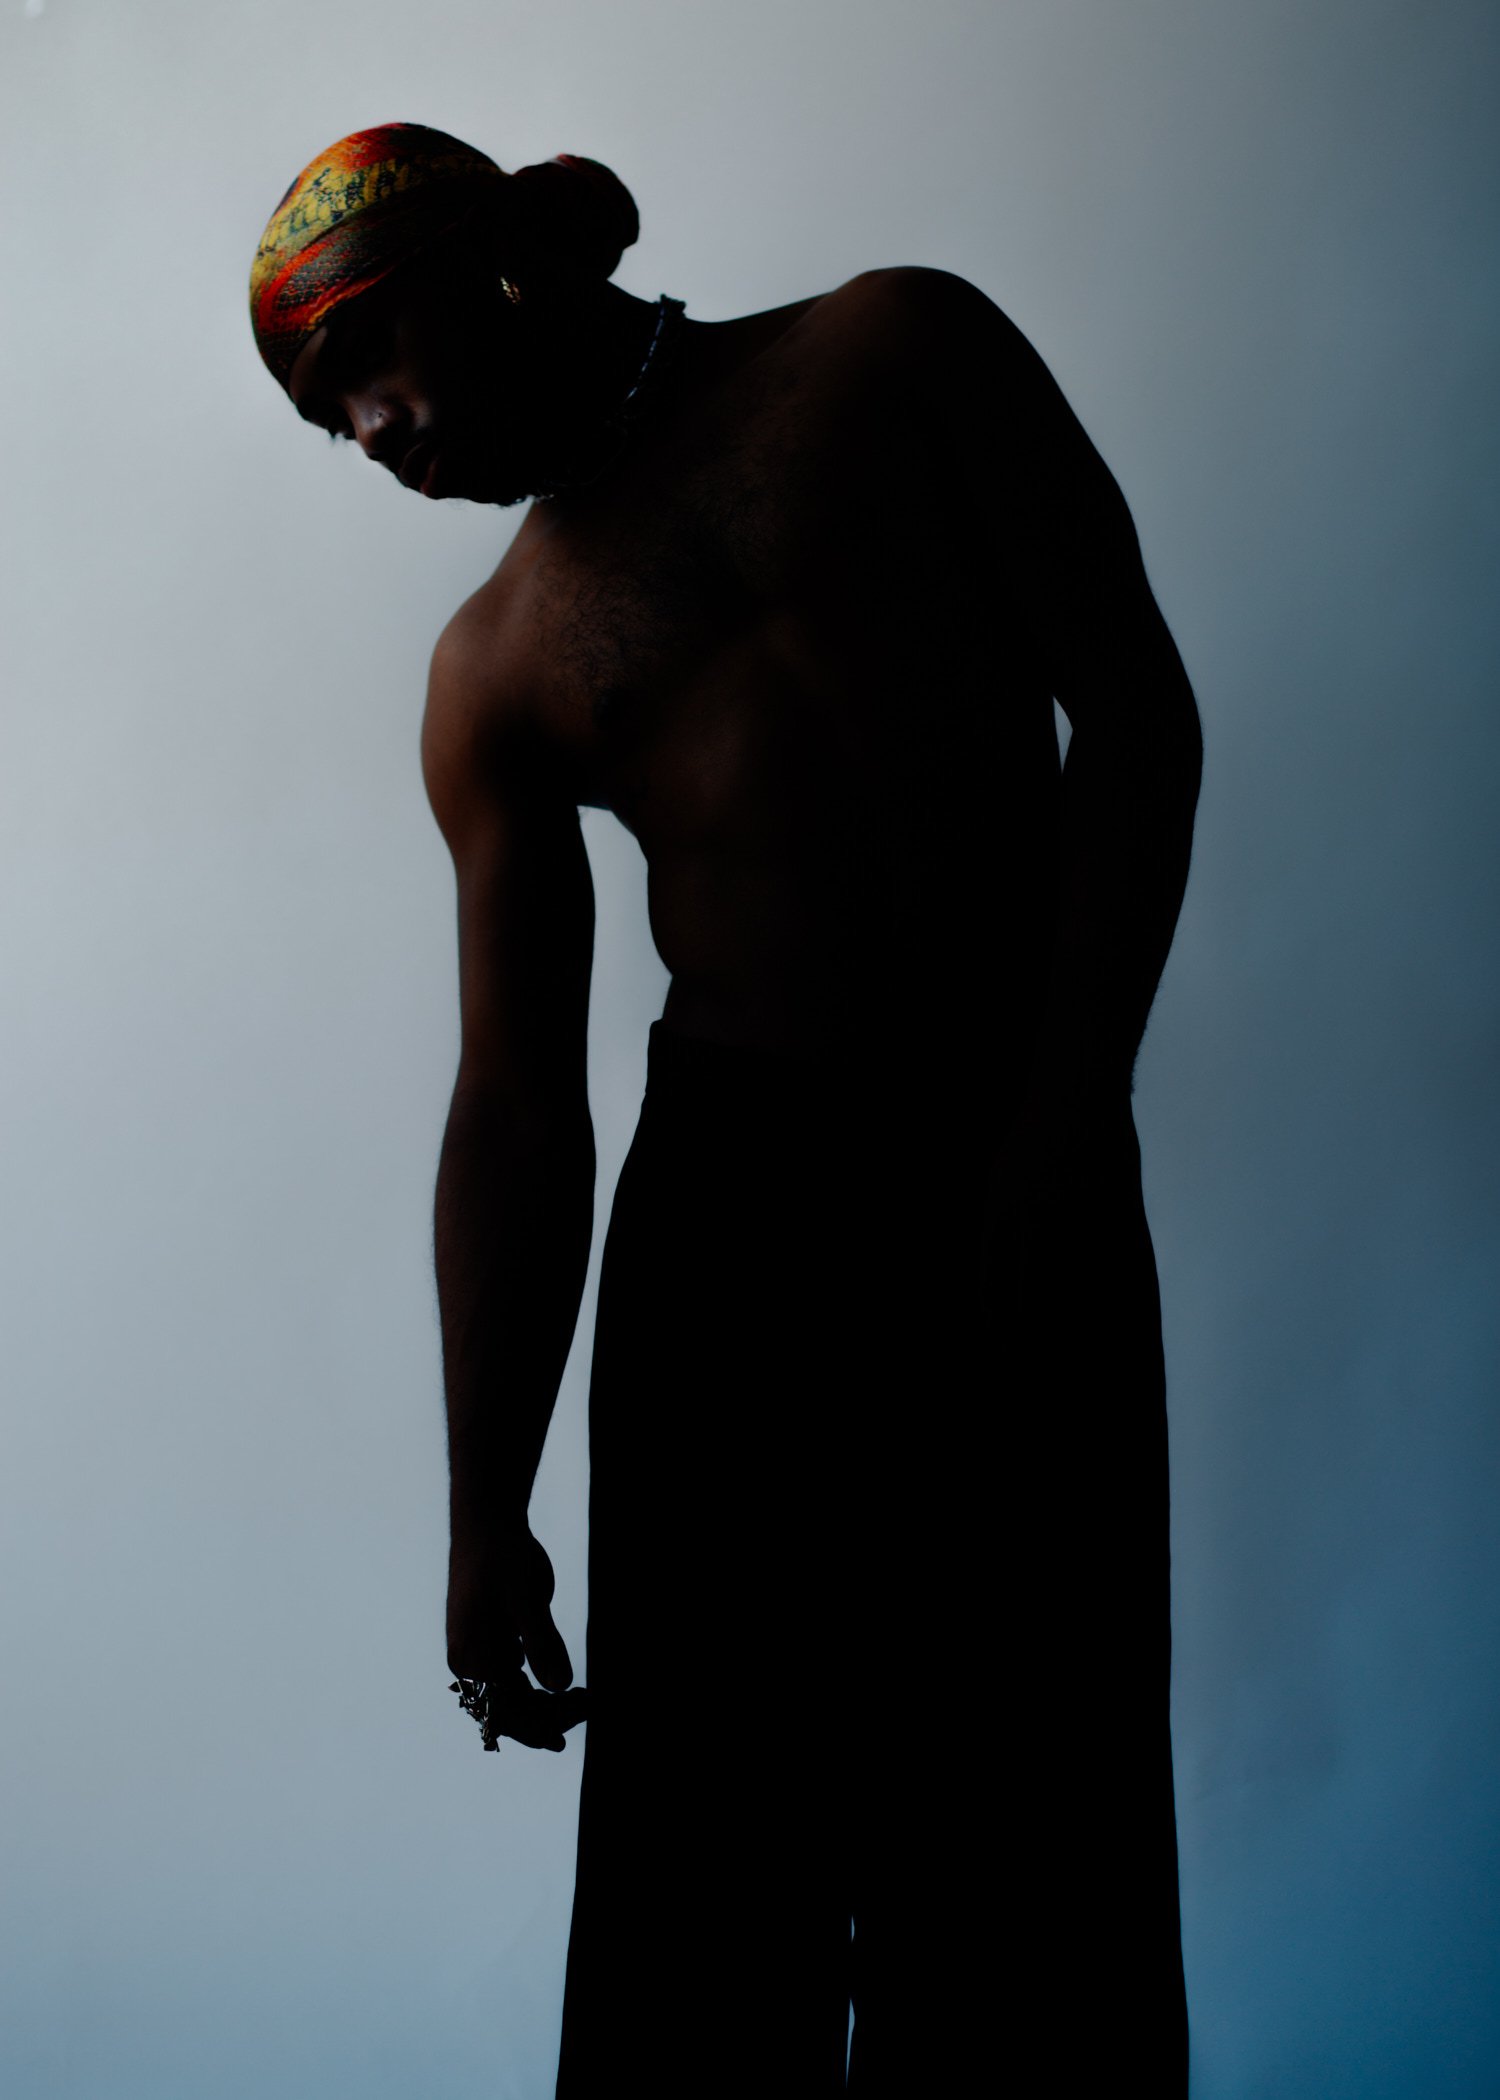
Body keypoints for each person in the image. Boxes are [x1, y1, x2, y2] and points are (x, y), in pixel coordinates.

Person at [250, 121, 1203, 2097]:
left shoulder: (891, 352)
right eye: (330, 417)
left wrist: (1066, 1110)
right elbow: (516, 1104)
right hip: (727, 1230)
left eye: (367, 360)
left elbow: (1132, 710)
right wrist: (485, 1510)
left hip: (1005, 1146)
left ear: (498, 263)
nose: (372, 434)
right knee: (705, 1875)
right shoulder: (494, 667)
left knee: (1037, 1814)